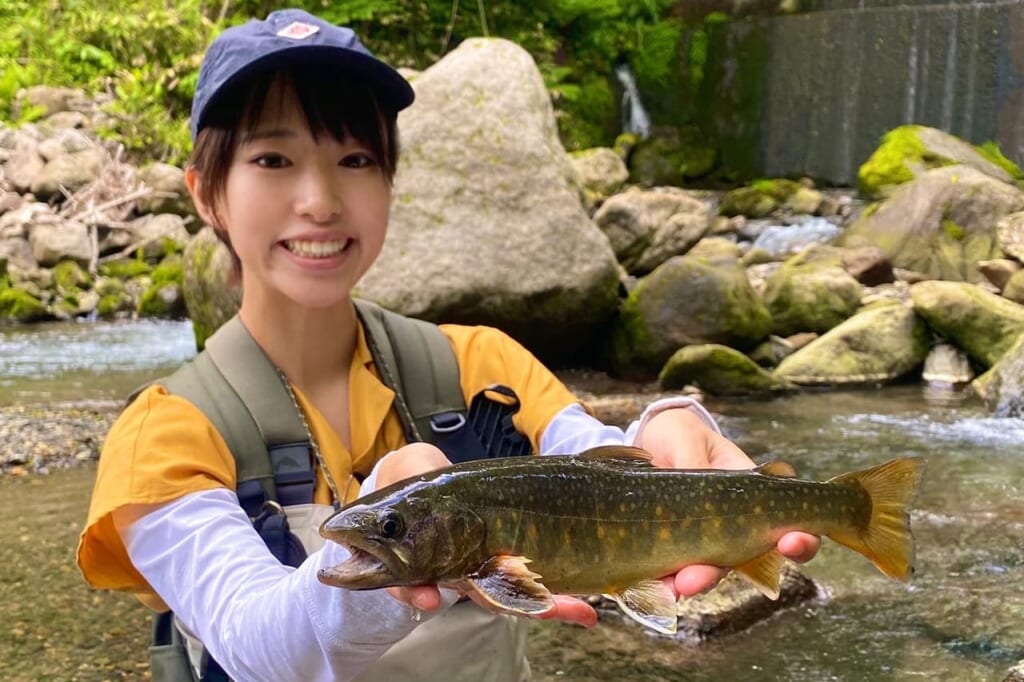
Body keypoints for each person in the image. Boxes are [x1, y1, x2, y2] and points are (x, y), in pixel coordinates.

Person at [76, 8, 819, 682]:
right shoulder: (162, 435)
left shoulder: (481, 366)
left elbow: (596, 470)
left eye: (356, 160)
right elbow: (256, 642)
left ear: (392, 182)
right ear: (206, 192)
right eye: (274, 161)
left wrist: (668, 424)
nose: (321, 199)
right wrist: (399, 550)